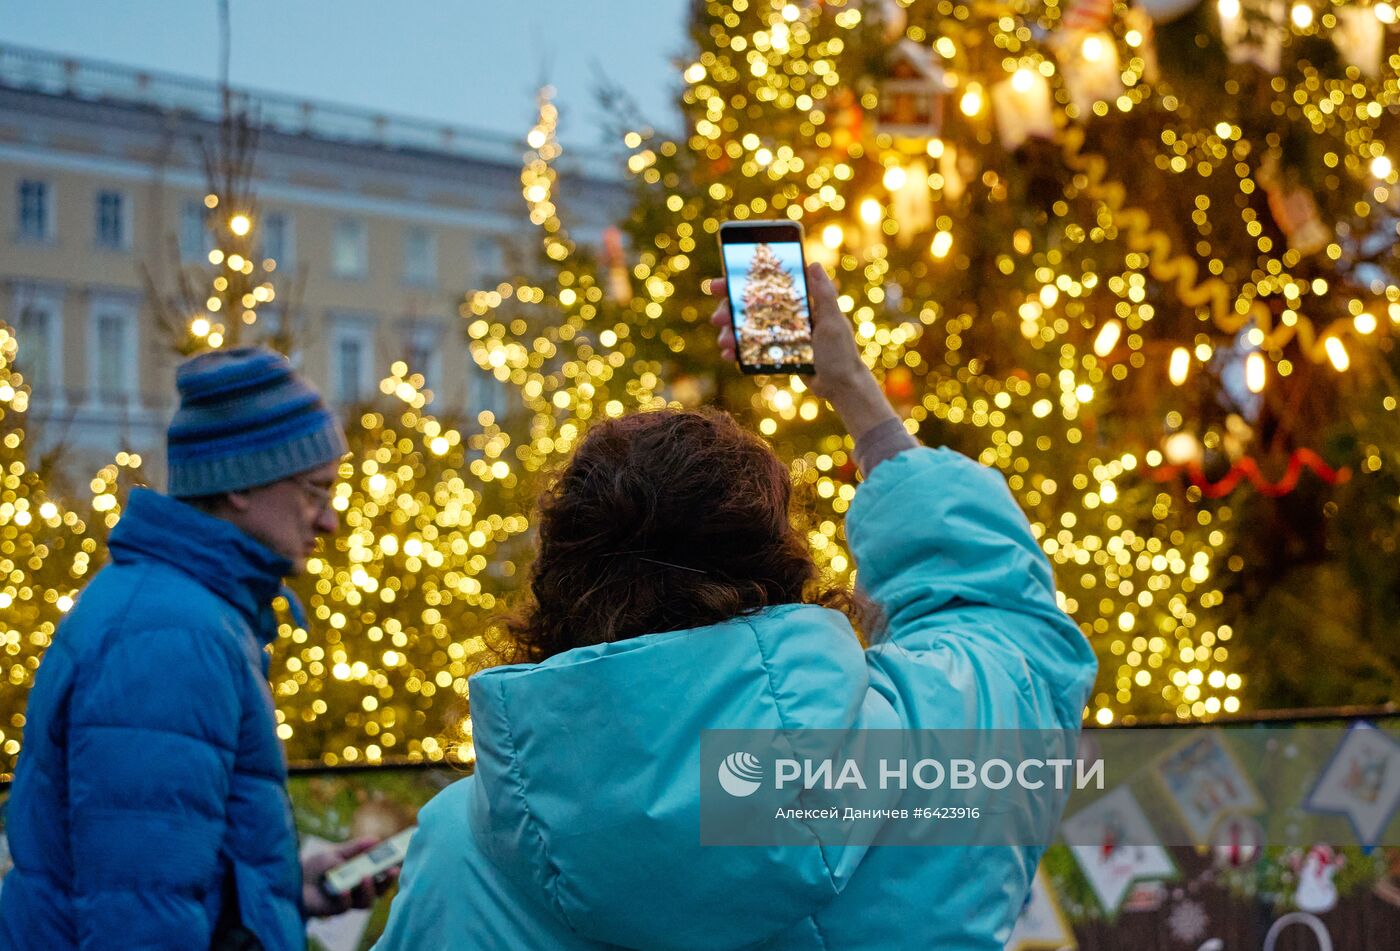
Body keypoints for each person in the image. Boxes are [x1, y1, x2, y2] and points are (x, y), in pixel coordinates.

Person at [373, 265, 1097, 949]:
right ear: (777, 565)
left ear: (558, 585)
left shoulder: (462, 850)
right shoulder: (942, 754)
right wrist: (855, 392)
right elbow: (1008, 618)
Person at [0, 347, 394, 950]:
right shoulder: (170, 635)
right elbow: (138, 919)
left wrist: (283, 890)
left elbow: (164, 874)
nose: (329, 521)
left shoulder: (185, 609)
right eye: (316, 491)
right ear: (241, 483)